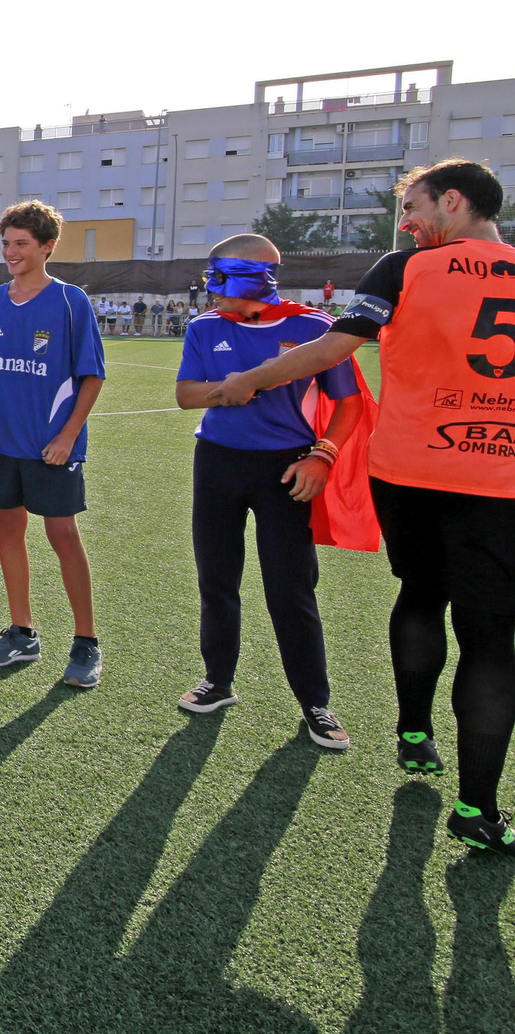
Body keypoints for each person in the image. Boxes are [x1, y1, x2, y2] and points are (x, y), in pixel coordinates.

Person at [210, 159, 515, 853]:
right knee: (491, 638)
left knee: (420, 592)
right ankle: (478, 810)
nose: (405, 221)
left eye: (413, 206)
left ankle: (413, 732)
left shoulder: (404, 268)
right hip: (501, 477)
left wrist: (251, 379)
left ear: (455, 200)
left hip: (411, 469)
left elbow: (333, 347)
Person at [173, 234, 364, 749]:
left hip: (288, 469)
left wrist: (322, 455)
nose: (212, 291)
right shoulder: (204, 327)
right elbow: (186, 396)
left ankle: (315, 703)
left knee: (290, 588)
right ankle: (218, 680)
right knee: (217, 578)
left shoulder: (314, 329)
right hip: (216, 461)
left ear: (258, 276)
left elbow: (349, 404)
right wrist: (229, 389)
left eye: (222, 279)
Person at [0, 200, 106, 688]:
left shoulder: (70, 301)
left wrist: (68, 435)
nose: (11, 252)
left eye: (21, 244)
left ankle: (86, 642)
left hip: (50, 445)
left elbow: (91, 376)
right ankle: (22, 632)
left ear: (47, 246)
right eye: (6, 243)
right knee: (8, 530)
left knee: (62, 534)